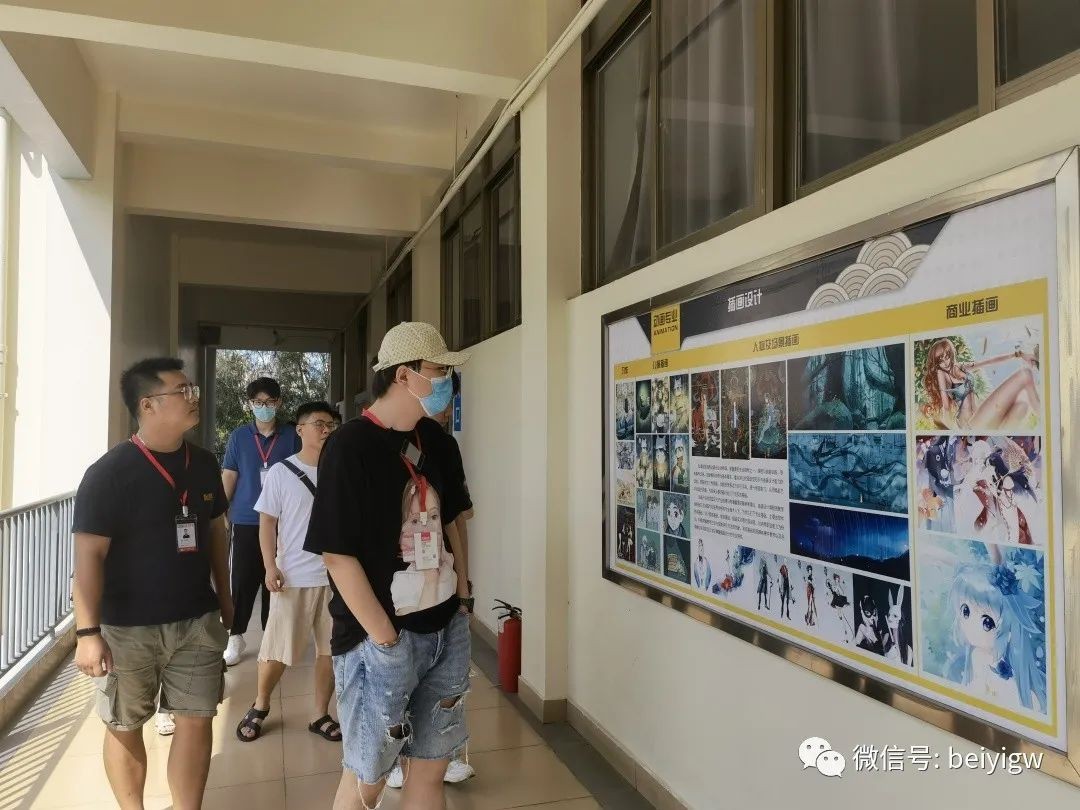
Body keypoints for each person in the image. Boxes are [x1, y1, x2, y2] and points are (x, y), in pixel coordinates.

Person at [304, 321, 473, 810]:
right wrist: (384, 637)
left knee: (432, 767)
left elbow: (454, 522)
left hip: (445, 626)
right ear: (404, 375)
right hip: (378, 640)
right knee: (367, 779)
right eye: (438, 371)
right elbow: (337, 554)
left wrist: (464, 597)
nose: (447, 382)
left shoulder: (438, 442)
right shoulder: (349, 446)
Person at [72, 358, 232, 810]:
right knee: (125, 724)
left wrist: (226, 596)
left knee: (197, 718)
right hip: (128, 628)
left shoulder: (204, 463)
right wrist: (88, 633)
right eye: (182, 391)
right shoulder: (109, 474)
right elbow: (88, 556)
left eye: (192, 389)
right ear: (148, 405)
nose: (193, 397)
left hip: (197, 620)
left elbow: (215, 533)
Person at [388, 370, 476, 787]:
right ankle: (393, 758)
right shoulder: (368, 442)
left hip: (440, 584)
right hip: (394, 595)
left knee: (447, 680)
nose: (443, 400)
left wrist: (464, 585)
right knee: (397, 683)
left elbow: (456, 518)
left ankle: (447, 751)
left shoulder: (442, 444)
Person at [235, 402, 342, 744]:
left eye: (331, 425)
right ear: (300, 429)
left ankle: (319, 713)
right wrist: (270, 565)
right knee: (278, 649)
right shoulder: (281, 472)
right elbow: (267, 523)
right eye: (319, 423)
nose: (326, 430)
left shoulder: (341, 469)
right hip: (294, 576)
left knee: (330, 651)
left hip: (337, 578)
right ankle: (260, 703)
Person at [221, 377, 299, 666]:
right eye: (257, 402)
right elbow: (230, 475)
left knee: (276, 578)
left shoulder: (292, 436)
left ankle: (271, 634)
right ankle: (236, 636)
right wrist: (221, 510)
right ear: (250, 404)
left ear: (278, 403)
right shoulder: (239, 437)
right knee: (242, 580)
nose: (263, 407)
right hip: (245, 518)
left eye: (268, 402)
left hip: (283, 521)